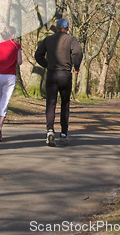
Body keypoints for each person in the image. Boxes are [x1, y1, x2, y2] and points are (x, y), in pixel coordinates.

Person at [35, 18, 83, 147]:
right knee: (65, 104)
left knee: (50, 103)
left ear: (56, 28)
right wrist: (76, 65)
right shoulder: (72, 39)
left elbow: (38, 55)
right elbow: (77, 52)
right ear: (67, 28)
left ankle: (50, 130)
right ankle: (63, 133)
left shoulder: (48, 40)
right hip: (65, 74)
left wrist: (47, 64)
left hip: (52, 74)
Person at [0, 25, 22, 141]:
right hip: (10, 76)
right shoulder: (16, 45)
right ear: (12, 35)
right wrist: (11, 61)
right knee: (4, 101)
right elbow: (19, 62)